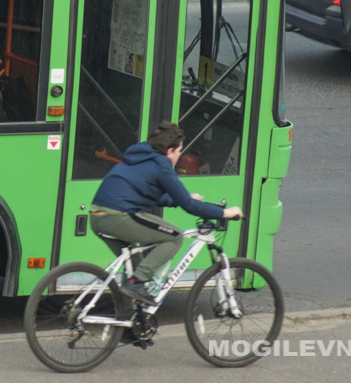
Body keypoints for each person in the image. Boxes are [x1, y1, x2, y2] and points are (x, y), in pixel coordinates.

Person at [89, 122, 243, 305]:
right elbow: (189, 206)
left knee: (134, 267)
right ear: (170, 150)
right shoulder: (161, 164)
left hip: (98, 215)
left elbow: (156, 196)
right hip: (118, 216)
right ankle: (137, 282)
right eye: (179, 151)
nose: (179, 156)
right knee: (175, 237)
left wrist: (183, 198)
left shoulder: (141, 156)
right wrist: (224, 212)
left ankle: (129, 318)